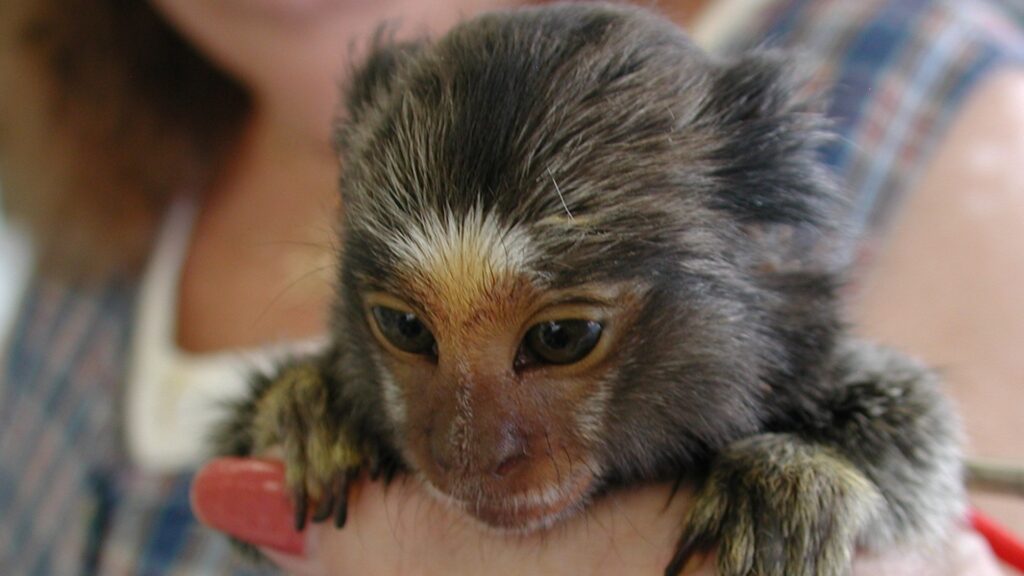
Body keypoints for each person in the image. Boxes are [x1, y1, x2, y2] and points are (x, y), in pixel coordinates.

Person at [0, 0, 1019, 574]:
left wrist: (861, 510)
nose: (465, 450)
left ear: (762, 253)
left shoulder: (925, 89)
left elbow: (898, 434)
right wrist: (300, 415)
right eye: (407, 330)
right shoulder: (114, 159)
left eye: (563, 337)